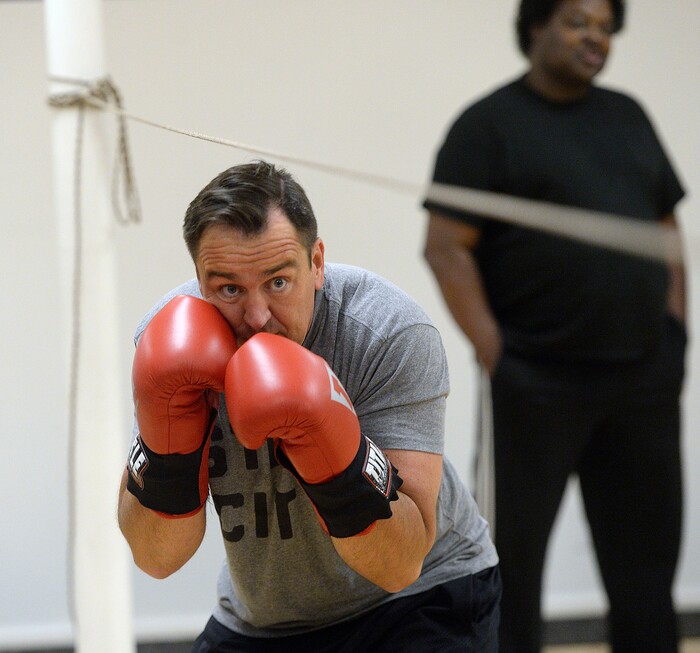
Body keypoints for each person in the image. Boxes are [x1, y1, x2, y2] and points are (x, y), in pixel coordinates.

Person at [118, 160, 500, 653]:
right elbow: (155, 557)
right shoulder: (170, 344)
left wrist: (334, 454)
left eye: (278, 282)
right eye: (229, 288)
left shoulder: (386, 333)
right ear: (198, 279)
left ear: (316, 263)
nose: (256, 318)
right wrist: (167, 446)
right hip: (263, 619)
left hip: (416, 600)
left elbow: (400, 563)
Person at [422, 1, 688, 652]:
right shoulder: (487, 126)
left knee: (647, 571)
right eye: (577, 21)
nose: (595, 37)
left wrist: (678, 334)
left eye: (605, 27)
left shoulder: (628, 117)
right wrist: (498, 353)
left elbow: (665, 231)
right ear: (536, 25)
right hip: (535, 382)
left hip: (642, 379)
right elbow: (445, 246)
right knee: (511, 564)